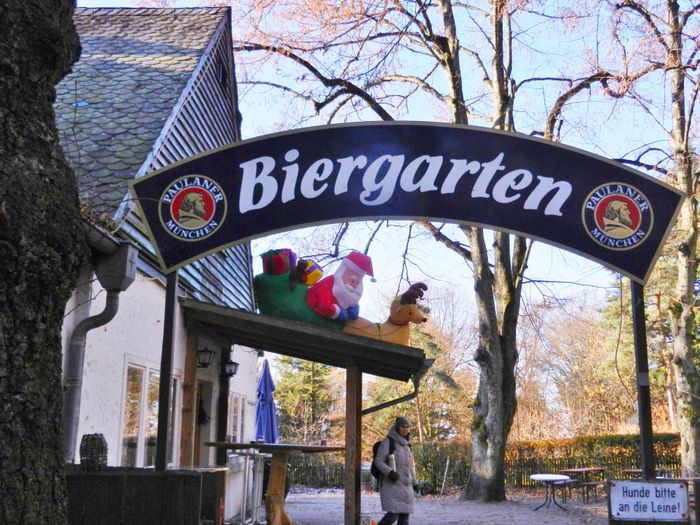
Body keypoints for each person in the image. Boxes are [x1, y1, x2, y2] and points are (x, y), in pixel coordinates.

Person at [306, 250, 374, 322]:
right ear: (342, 272)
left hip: (339, 304)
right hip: (320, 304)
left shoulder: (348, 291)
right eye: (352, 281)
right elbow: (323, 300)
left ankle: (351, 307)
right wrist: (335, 311)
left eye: (357, 283)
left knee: (353, 312)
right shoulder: (331, 283)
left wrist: (353, 304)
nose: (354, 285)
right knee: (343, 316)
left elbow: (350, 298)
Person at [374, 417, 418, 525]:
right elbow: (378, 461)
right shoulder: (388, 442)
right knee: (393, 515)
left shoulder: (408, 445)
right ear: (397, 427)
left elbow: (410, 467)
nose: (405, 429)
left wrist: (415, 482)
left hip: (406, 486)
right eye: (403, 427)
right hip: (391, 485)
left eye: (407, 427)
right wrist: (390, 472)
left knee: (404, 516)